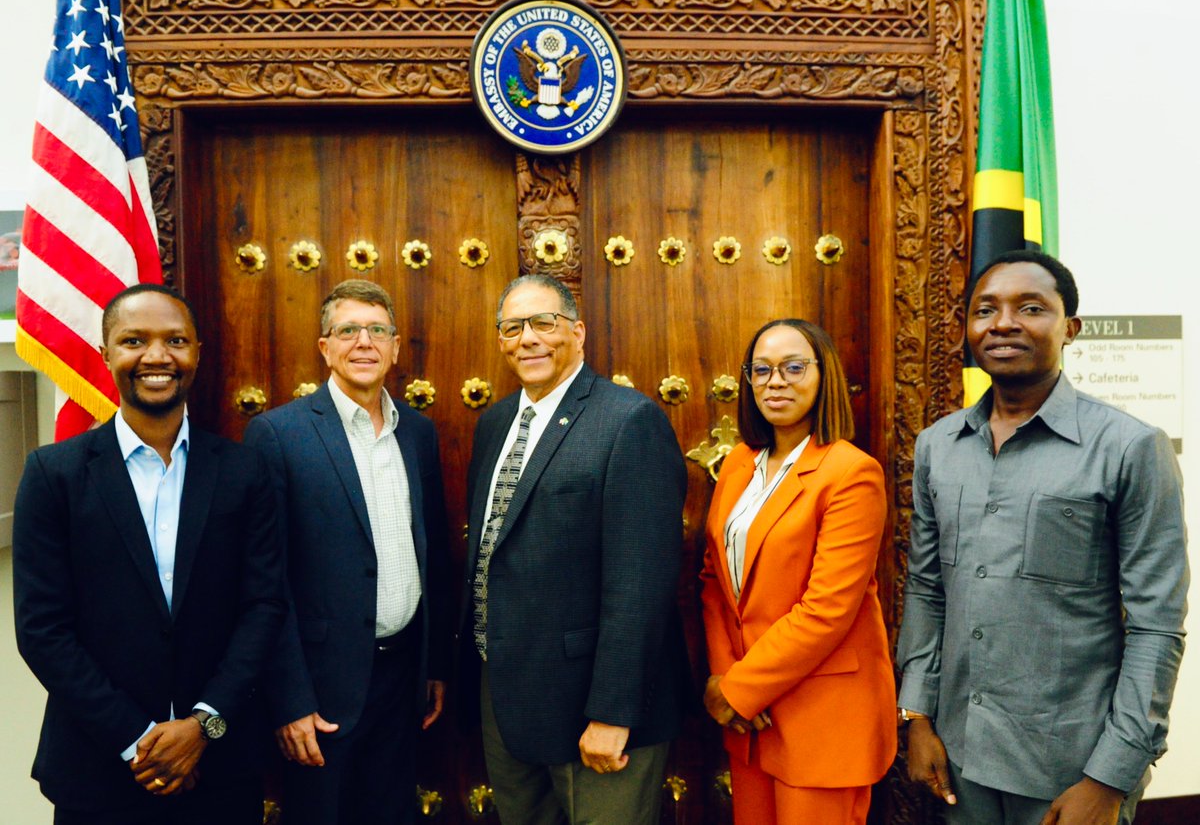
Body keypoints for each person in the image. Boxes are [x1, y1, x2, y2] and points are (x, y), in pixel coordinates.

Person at [896, 250, 1189, 825]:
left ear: (1070, 328)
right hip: (960, 755)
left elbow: (1157, 626)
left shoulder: (1128, 447)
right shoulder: (939, 446)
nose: (1003, 323)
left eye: (1030, 307)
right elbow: (928, 591)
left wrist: (1110, 777)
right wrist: (918, 717)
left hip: (1069, 766)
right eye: (985, 310)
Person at [13, 284, 286, 824]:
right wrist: (136, 739)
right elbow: (43, 630)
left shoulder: (243, 471)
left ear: (197, 354)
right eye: (134, 340)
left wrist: (202, 726)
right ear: (107, 354)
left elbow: (264, 606)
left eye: (175, 340)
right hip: (98, 770)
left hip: (220, 767)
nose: (157, 356)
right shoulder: (54, 474)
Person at [460, 273, 690, 825]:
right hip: (507, 697)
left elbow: (640, 585)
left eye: (544, 323)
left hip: (595, 706)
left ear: (578, 333)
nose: (528, 338)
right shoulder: (494, 424)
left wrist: (613, 713)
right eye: (513, 327)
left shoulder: (628, 420)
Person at [243, 279, 450, 825]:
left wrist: (433, 665)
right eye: (348, 330)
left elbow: (432, 554)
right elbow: (266, 581)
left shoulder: (418, 433)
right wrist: (290, 700)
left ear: (396, 347)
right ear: (325, 347)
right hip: (321, 690)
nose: (364, 342)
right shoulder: (278, 434)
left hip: (402, 678)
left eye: (378, 330)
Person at [699, 318, 896, 824]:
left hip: (819, 718)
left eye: (792, 367)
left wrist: (740, 690)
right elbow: (713, 582)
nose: (775, 381)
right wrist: (727, 678)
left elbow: (827, 609)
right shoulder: (741, 463)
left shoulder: (850, 473)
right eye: (761, 370)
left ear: (823, 374)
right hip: (752, 720)